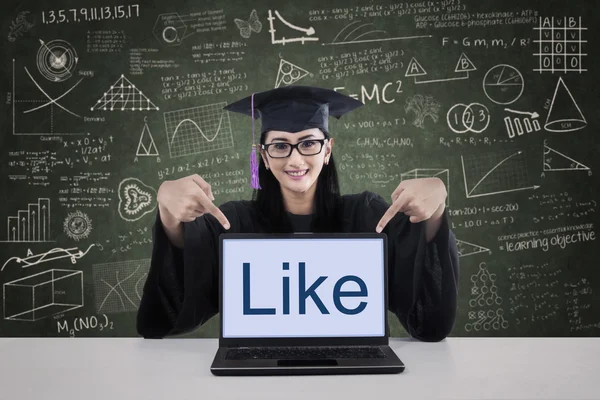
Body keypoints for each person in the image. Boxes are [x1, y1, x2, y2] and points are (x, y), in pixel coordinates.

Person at [137, 85, 459, 342]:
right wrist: (168, 213)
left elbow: (430, 323)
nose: (295, 160)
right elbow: (160, 321)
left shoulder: (366, 217)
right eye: (279, 146)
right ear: (263, 156)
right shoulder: (235, 224)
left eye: (308, 143)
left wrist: (435, 211)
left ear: (328, 150)